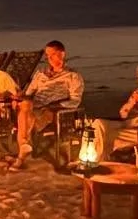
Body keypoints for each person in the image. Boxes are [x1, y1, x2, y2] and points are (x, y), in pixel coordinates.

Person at [12, 41, 85, 171]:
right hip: (33, 108)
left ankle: (22, 152)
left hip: (53, 111)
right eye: (47, 55)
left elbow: (75, 100)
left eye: (52, 54)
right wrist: (19, 97)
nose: (49, 58)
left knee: (24, 116)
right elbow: (29, 93)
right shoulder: (40, 73)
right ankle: (23, 146)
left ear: (62, 54)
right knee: (25, 104)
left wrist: (54, 105)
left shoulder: (73, 76)